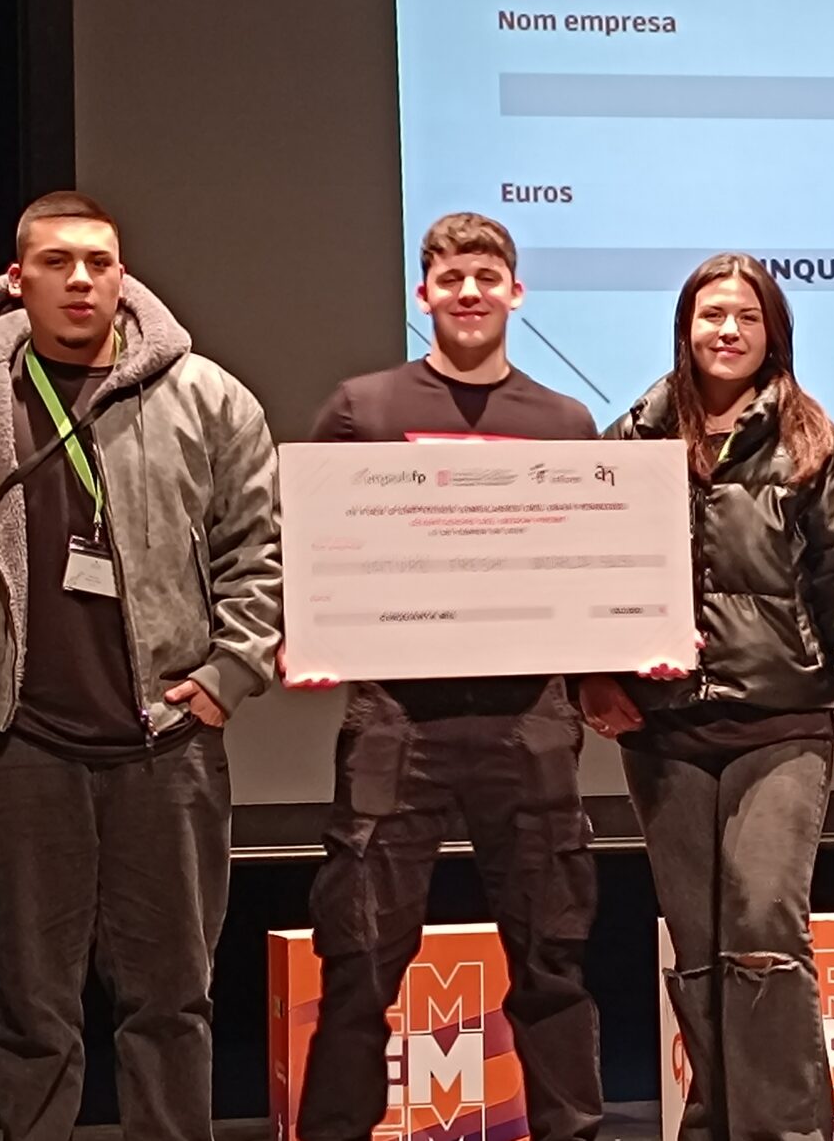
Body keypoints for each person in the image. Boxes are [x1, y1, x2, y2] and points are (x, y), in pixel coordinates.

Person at [0, 192, 283, 1141]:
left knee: (173, 999)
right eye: (57, 262)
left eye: (99, 262)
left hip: (166, 741)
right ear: (16, 280)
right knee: (30, 1006)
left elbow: (259, 551)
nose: (80, 279)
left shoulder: (208, 397)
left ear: (123, 276)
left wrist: (230, 672)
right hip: (16, 741)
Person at [291, 214, 608, 1141]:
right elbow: (308, 543)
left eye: (486, 277)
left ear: (516, 293)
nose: (470, 292)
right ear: (422, 293)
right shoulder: (362, 410)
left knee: (552, 962)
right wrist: (306, 632)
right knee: (358, 963)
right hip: (398, 719)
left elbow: (596, 564)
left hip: (531, 718)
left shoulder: (565, 423)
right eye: (451, 278)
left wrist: (634, 644)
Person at [580, 252, 834, 1141]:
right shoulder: (633, 437)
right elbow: (583, 572)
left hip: (784, 723)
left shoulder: (812, 441)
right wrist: (591, 679)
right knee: (698, 946)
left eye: (747, 317)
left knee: (762, 927)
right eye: (712, 314)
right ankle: (716, 1123)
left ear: (773, 335)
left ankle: (785, 1130)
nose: (727, 330)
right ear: (685, 327)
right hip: (665, 731)